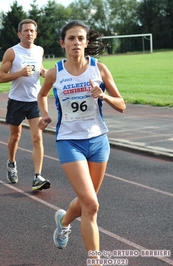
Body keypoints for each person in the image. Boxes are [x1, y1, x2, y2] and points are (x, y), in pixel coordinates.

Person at [37, 20, 126, 260]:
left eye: (80, 38)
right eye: (71, 38)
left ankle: (64, 221)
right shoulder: (56, 72)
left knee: (89, 201)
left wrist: (104, 96)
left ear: (87, 42)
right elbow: (42, 94)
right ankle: (94, 260)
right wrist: (44, 115)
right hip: (69, 141)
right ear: (62, 43)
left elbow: (122, 105)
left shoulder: (99, 69)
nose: (76, 42)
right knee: (92, 205)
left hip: (98, 141)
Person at [0, 19, 51, 191]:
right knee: (15, 136)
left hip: (34, 101)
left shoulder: (39, 50)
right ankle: (11, 163)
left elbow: (39, 66)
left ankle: (37, 176)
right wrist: (19, 73)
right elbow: (0, 77)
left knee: (37, 137)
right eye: (26, 31)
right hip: (17, 101)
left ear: (36, 34)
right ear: (19, 34)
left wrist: (43, 71)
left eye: (32, 31)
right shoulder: (12, 53)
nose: (29, 33)